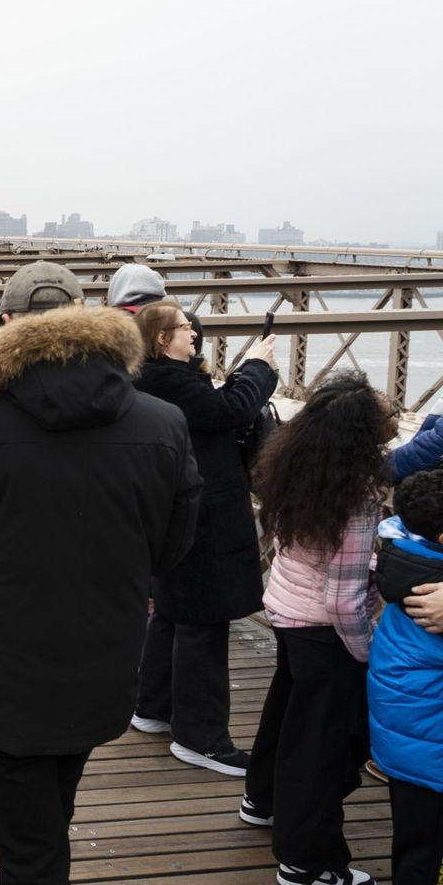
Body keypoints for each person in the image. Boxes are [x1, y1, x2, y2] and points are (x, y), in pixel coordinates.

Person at [0, 261, 202, 885]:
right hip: (102, 660)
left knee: (33, 854)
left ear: (4, 326)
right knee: (47, 814)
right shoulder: (162, 421)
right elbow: (173, 546)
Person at [242, 372, 389, 885]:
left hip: (285, 610)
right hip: (324, 630)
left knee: (287, 713)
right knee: (321, 747)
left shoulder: (292, 467)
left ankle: (262, 799)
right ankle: (307, 862)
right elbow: (344, 599)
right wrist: (367, 655)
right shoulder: (357, 497)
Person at [129, 300, 279, 775]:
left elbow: (215, 406)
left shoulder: (153, 377)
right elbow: (231, 409)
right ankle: (201, 738)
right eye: (183, 328)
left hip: (178, 510)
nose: (193, 333)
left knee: (175, 612)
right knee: (205, 621)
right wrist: (258, 366)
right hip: (203, 513)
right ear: (159, 338)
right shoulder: (167, 380)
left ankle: (152, 708)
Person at [369, 469, 443, 885]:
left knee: (415, 840)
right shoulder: (433, 596)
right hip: (431, 747)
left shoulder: (409, 560)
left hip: (409, 743)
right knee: (425, 846)